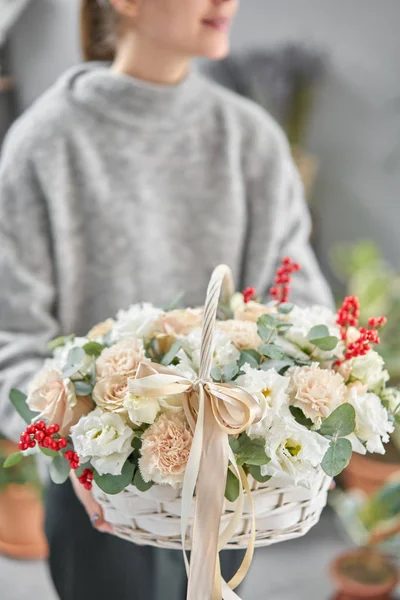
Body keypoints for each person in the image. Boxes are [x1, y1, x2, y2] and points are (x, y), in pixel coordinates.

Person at [0, 0, 333, 598]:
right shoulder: (42, 145)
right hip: (99, 495)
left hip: (232, 488)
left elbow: (300, 308)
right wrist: (80, 445)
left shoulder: (249, 139)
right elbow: (10, 340)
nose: (227, 3)